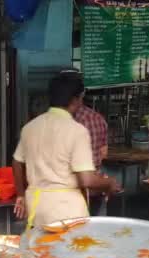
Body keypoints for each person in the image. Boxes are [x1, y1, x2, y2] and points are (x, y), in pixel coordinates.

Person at [12, 73, 121, 229]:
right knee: (69, 252)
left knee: (40, 251)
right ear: (76, 100)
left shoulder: (30, 127)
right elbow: (87, 180)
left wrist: (21, 194)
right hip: (65, 211)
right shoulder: (77, 131)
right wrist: (109, 183)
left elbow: (16, 162)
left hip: (36, 208)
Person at [58, 69, 110, 216]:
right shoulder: (98, 119)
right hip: (95, 187)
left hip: (66, 191)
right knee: (92, 233)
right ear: (82, 93)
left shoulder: (54, 122)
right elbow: (103, 154)